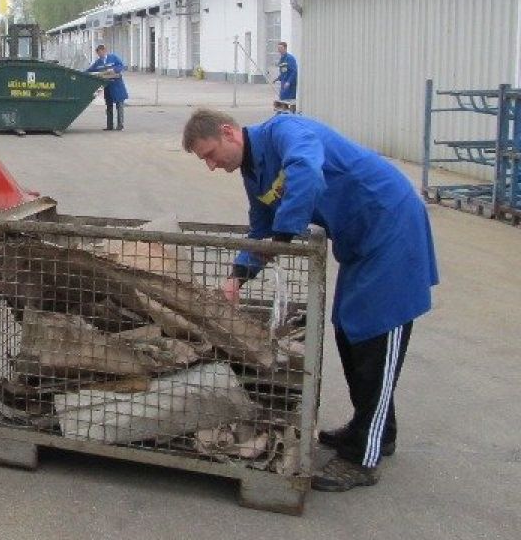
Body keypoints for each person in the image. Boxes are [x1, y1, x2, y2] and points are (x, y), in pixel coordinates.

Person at [181, 108, 438, 492]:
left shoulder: (285, 131)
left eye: (211, 154)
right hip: (358, 241)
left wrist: (284, 235)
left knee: (377, 334)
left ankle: (363, 458)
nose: (212, 166)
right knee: (348, 329)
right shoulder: (254, 173)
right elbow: (261, 228)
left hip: (390, 224)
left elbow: (306, 171)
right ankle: (374, 429)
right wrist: (237, 277)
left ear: (228, 132)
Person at [85, 44, 129, 130]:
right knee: (109, 106)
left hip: (117, 86)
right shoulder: (98, 62)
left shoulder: (113, 58)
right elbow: (90, 70)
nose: (100, 55)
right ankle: (109, 126)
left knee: (119, 106)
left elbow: (121, 66)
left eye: (100, 53)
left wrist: (114, 70)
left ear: (104, 51)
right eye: (98, 54)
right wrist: (81, 73)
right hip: (107, 87)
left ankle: (120, 126)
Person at [272, 41, 298, 106]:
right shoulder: (282, 59)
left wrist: (289, 82)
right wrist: (278, 78)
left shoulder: (290, 58)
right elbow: (283, 72)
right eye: (278, 48)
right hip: (283, 83)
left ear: (285, 48)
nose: (279, 50)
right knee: (282, 100)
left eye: (281, 48)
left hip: (290, 85)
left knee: (289, 101)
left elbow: (294, 71)